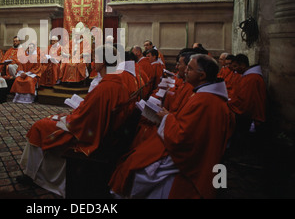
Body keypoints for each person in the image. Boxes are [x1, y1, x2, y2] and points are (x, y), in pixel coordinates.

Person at [18, 44, 144, 197]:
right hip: (103, 130)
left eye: (95, 59)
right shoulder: (118, 80)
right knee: (48, 121)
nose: (92, 62)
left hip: (87, 135)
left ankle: (33, 175)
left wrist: (70, 117)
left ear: (103, 62)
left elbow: (85, 121)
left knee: (38, 127)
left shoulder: (106, 86)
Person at [109, 54, 234, 199]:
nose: (185, 71)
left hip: (188, 160)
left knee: (138, 169)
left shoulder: (204, 101)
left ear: (202, 75)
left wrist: (167, 118)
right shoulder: (204, 95)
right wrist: (169, 117)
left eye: (190, 68)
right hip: (193, 152)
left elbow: (182, 138)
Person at [228, 54, 267, 144]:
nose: (233, 69)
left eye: (235, 66)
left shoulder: (251, 78)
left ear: (243, 65)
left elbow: (246, 101)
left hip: (249, 116)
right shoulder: (248, 76)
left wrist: (230, 104)